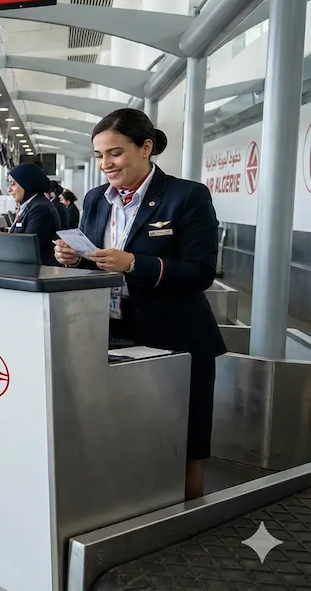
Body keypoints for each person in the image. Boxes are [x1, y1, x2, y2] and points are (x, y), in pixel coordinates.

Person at [55, 108, 224, 500]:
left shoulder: (186, 196)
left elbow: (200, 272)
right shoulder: (97, 199)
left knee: (181, 443)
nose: (105, 164)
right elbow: (93, 254)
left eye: (115, 153)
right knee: (120, 435)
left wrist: (135, 263)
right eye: (99, 155)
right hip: (113, 334)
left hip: (174, 336)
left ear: (146, 147)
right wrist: (72, 256)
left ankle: (188, 527)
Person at [6, 163, 62, 266]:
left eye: (13, 184)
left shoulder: (40, 209)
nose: (9, 189)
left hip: (39, 271)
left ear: (26, 184)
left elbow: (27, 249)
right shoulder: (31, 206)